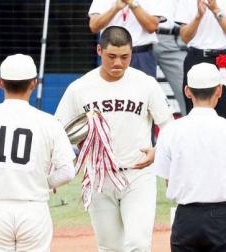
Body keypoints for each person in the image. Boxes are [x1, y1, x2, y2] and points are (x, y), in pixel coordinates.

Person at [55, 26, 173, 252]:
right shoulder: (79, 88)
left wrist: (157, 150)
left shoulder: (145, 83)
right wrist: (67, 156)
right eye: (112, 56)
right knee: (109, 247)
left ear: (132, 53)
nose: (118, 63)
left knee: (138, 244)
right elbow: (58, 130)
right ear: (99, 50)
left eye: (125, 57)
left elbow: (167, 126)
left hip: (137, 175)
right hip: (99, 176)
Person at [0, 54, 76, 251]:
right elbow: (68, 171)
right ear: (33, 83)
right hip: (33, 209)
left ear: (0, 83)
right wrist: (46, 183)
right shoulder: (49, 122)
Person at [154, 62, 226, 252]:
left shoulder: (171, 130)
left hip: (186, 217)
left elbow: (168, 180)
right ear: (219, 90)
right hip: (222, 217)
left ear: (187, 91)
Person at [88, 0, 166, 78]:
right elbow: (94, 26)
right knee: (111, 89)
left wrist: (132, 3)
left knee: (144, 89)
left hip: (141, 55)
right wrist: (115, 8)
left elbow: (151, 27)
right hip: (112, 55)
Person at [175, 0, 226, 117]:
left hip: (223, 58)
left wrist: (216, 10)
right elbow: (185, 37)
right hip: (196, 57)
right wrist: (198, 16)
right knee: (195, 110)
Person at [154, 0, 187, 115]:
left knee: (187, 91)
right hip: (141, 37)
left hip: (173, 38)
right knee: (138, 92)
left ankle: (193, 130)